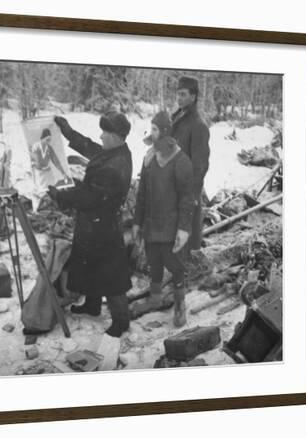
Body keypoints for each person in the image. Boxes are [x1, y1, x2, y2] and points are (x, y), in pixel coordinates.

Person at [49, 112, 133, 337]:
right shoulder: (115, 152)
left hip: (103, 226)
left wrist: (60, 195)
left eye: (105, 132)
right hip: (94, 222)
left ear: (116, 136)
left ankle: (121, 320)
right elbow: (90, 148)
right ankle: (93, 306)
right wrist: (68, 132)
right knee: (91, 265)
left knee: (111, 275)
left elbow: (88, 196)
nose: (101, 136)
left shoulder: (115, 166)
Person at [132, 111, 194, 327]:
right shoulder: (149, 158)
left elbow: (188, 199)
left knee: (175, 266)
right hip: (151, 223)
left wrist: (183, 229)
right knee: (154, 262)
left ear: (166, 132)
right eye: (152, 128)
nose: (152, 133)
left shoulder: (181, 161)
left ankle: (180, 304)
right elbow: (141, 194)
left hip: (171, 226)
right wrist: (137, 222)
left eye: (156, 129)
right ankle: (156, 297)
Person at [170, 76, 210, 253]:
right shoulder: (178, 117)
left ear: (193, 97)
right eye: (178, 94)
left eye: (183, 94)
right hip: (172, 187)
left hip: (186, 192)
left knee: (185, 242)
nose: (179, 98)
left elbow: (200, 167)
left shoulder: (198, 125)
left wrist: (190, 197)